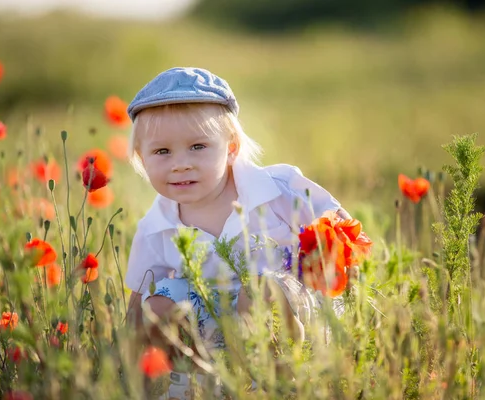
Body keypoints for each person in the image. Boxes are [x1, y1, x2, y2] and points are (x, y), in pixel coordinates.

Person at [124, 67, 351, 397]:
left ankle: (281, 375)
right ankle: (194, 374)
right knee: (156, 303)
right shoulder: (156, 224)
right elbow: (136, 301)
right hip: (214, 322)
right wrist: (129, 351)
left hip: (291, 304)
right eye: (162, 152)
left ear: (230, 148)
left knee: (257, 291)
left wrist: (329, 264)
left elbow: (341, 227)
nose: (180, 164)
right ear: (142, 159)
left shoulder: (277, 188)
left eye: (198, 147)